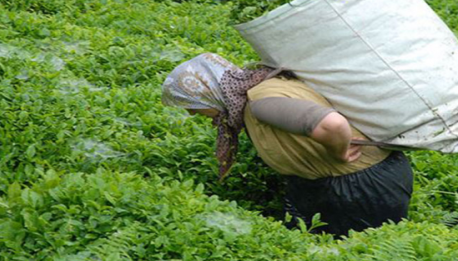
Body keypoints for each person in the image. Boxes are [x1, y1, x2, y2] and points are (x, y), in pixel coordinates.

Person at [161, 52, 413, 236]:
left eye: (192, 106)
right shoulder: (254, 92)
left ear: (208, 91)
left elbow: (332, 125)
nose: (192, 114)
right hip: (331, 184)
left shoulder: (261, 101)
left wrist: (340, 151)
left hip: (361, 187)